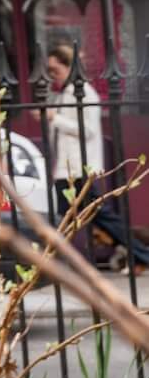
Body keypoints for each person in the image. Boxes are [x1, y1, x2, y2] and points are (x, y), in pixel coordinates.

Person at [45, 44, 148, 270]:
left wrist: (55, 118)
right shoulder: (66, 94)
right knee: (75, 218)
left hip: (79, 169)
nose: (52, 75)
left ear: (68, 66)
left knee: (92, 218)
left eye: (55, 69)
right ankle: (136, 254)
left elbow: (88, 130)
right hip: (67, 169)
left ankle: (141, 254)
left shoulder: (83, 93)